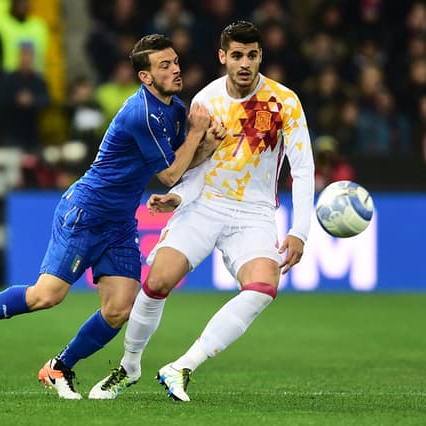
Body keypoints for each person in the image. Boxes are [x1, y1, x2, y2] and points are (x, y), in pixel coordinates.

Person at [0, 34, 223, 400]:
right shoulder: (141, 113)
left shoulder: (174, 108)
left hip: (118, 223)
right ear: (145, 77)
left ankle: (59, 367)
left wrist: (206, 145)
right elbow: (167, 175)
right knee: (47, 296)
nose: (175, 69)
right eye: (164, 65)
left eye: (175, 61)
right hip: (85, 212)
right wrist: (198, 133)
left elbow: (179, 166)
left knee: (119, 309)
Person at [90, 21, 314, 402]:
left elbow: (304, 167)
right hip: (206, 203)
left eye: (253, 55)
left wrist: (300, 231)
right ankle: (128, 367)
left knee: (263, 286)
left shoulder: (284, 102)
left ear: (261, 56)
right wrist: (178, 196)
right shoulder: (205, 102)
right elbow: (200, 166)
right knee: (159, 280)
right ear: (223, 56)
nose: (245, 63)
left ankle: (181, 367)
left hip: (255, 213)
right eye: (237, 55)